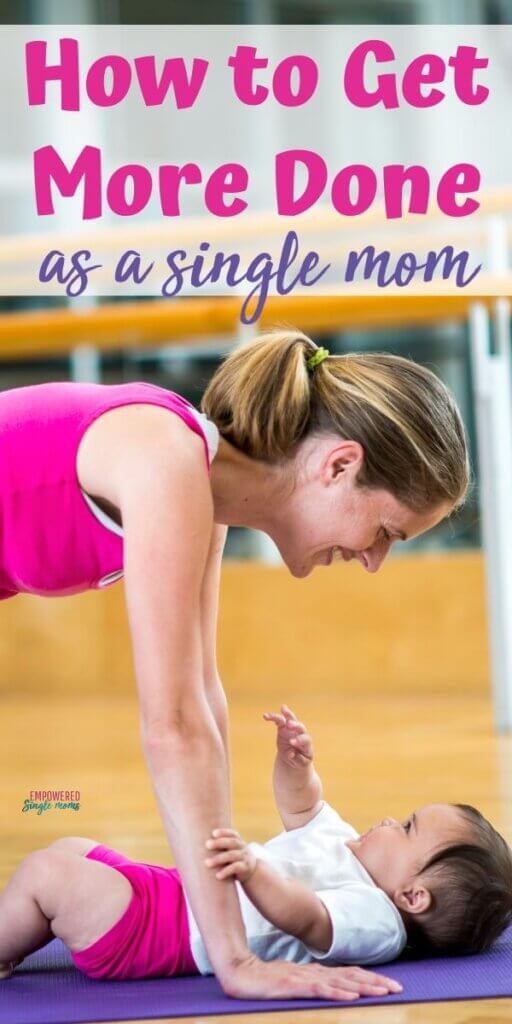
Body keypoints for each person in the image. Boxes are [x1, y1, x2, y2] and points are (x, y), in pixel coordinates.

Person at [0, 330, 469, 999]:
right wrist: (236, 962)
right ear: (338, 467)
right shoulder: (169, 465)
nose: (373, 559)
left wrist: (220, 915)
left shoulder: (202, 493)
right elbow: (171, 726)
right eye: (387, 532)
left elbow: (201, 701)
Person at [0, 706, 508, 992]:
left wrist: (252, 871)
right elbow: (303, 809)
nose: (388, 820)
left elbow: (307, 916)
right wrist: (296, 766)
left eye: (406, 827)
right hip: (172, 891)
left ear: (413, 896)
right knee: (72, 847)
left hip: (165, 934)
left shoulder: (377, 919)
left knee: (48, 876)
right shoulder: (347, 846)